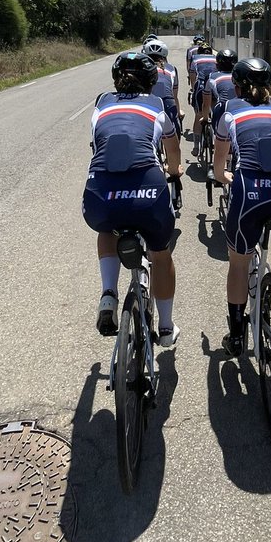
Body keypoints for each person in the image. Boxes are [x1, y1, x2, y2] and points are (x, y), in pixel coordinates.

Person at [81, 51, 183, 346]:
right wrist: (174, 171)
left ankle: (109, 294)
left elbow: (97, 147)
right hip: (148, 193)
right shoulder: (157, 106)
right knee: (161, 255)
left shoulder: (101, 105)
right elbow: (173, 152)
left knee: (106, 229)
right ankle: (165, 328)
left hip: (101, 194)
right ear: (152, 82)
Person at [213, 57, 271, 357]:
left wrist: (225, 176)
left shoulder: (227, 109)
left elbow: (219, 166)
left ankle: (237, 335)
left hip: (250, 196)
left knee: (239, 264)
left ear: (237, 87)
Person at [143, 39, 181, 138]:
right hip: (167, 101)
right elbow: (174, 95)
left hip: (147, 100)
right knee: (175, 130)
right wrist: (178, 112)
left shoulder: (142, 67)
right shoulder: (172, 68)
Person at [189, 42, 217, 157]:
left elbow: (192, 76)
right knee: (216, 113)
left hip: (201, 87)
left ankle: (196, 146)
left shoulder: (195, 58)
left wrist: (192, 88)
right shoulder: (216, 59)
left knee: (199, 114)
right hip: (215, 86)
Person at [202, 48, 238, 128]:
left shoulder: (211, 77)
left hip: (223, 109)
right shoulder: (240, 76)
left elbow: (206, 104)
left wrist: (205, 118)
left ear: (217, 64)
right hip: (241, 108)